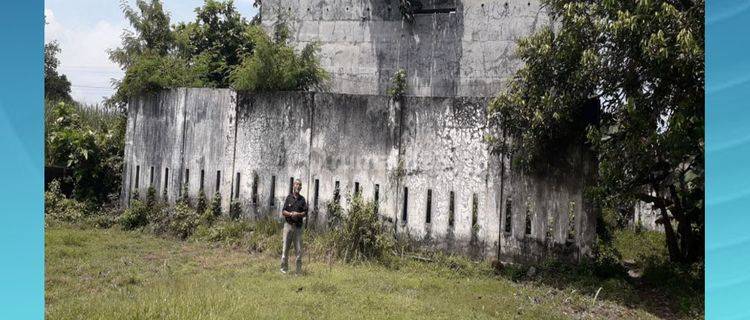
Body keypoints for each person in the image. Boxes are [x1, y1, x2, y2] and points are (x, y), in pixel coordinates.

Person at [280, 179, 307, 274]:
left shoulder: (302, 200)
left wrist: (298, 214)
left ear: (301, 187)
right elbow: (283, 211)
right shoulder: (289, 198)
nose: (298, 186)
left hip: (298, 228)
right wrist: (291, 214)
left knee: (299, 250)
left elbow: (305, 213)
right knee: (285, 249)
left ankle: (298, 272)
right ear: (293, 186)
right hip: (288, 226)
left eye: (300, 185)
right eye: (297, 184)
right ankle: (284, 270)